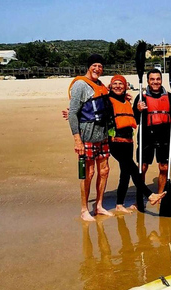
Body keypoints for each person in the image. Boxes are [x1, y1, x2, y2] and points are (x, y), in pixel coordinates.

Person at [106, 75, 166, 213]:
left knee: (125, 173)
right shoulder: (107, 101)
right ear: (110, 86)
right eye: (115, 84)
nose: (118, 86)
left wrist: (138, 110)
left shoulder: (126, 101)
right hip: (115, 141)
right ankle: (150, 195)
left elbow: (131, 117)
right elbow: (93, 110)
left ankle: (119, 204)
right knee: (133, 168)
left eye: (120, 84)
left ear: (126, 86)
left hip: (128, 142)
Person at [68, 54, 112, 221]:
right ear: (88, 66)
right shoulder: (80, 85)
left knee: (104, 171)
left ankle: (99, 205)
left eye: (100, 66)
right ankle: (84, 209)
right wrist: (77, 140)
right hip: (86, 137)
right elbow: (73, 113)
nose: (97, 69)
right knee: (89, 172)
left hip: (103, 136)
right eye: (94, 65)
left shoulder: (100, 85)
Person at [133, 69, 171, 198]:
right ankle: (142, 194)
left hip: (164, 135)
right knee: (142, 167)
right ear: (148, 81)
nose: (155, 82)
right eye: (152, 79)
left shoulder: (170, 97)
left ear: (161, 80)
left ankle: (160, 195)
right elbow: (133, 117)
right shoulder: (140, 97)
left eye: (158, 79)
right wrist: (138, 109)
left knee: (164, 167)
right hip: (146, 135)